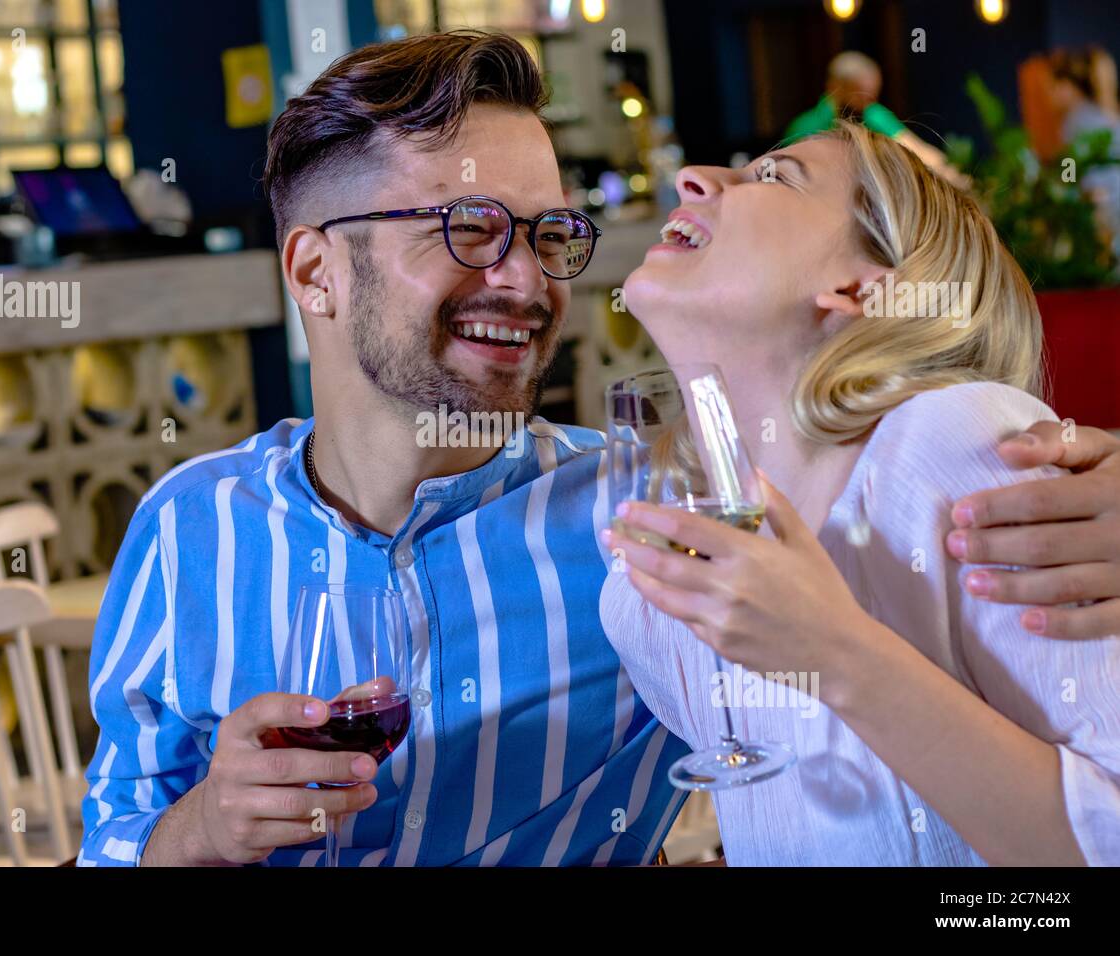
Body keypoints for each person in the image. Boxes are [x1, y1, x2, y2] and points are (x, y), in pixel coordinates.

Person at [79, 32, 1120, 867]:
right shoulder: (186, 526)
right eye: (470, 226)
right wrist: (201, 831)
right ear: (315, 272)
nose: (530, 283)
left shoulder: (643, 525)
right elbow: (115, 837)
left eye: (548, 235)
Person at [601, 121, 1120, 865]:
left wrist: (837, 654)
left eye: (775, 176)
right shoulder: (651, 593)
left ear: (858, 285)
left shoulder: (960, 445)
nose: (697, 179)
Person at [785, 51, 969, 187]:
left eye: (873, 96)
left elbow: (915, 148)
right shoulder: (804, 127)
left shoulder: (872, 114)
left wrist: (952, 174)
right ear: (836, 87)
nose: (868, 104)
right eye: (861, 96)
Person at [1050, 46, 1120, 257]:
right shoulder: (1102, 115)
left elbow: (1069, 171)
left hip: (1104, 206)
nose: (1053, 94)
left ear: (1073, 87)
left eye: (1057, 86)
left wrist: (1064, 193)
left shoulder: (1075, 121)